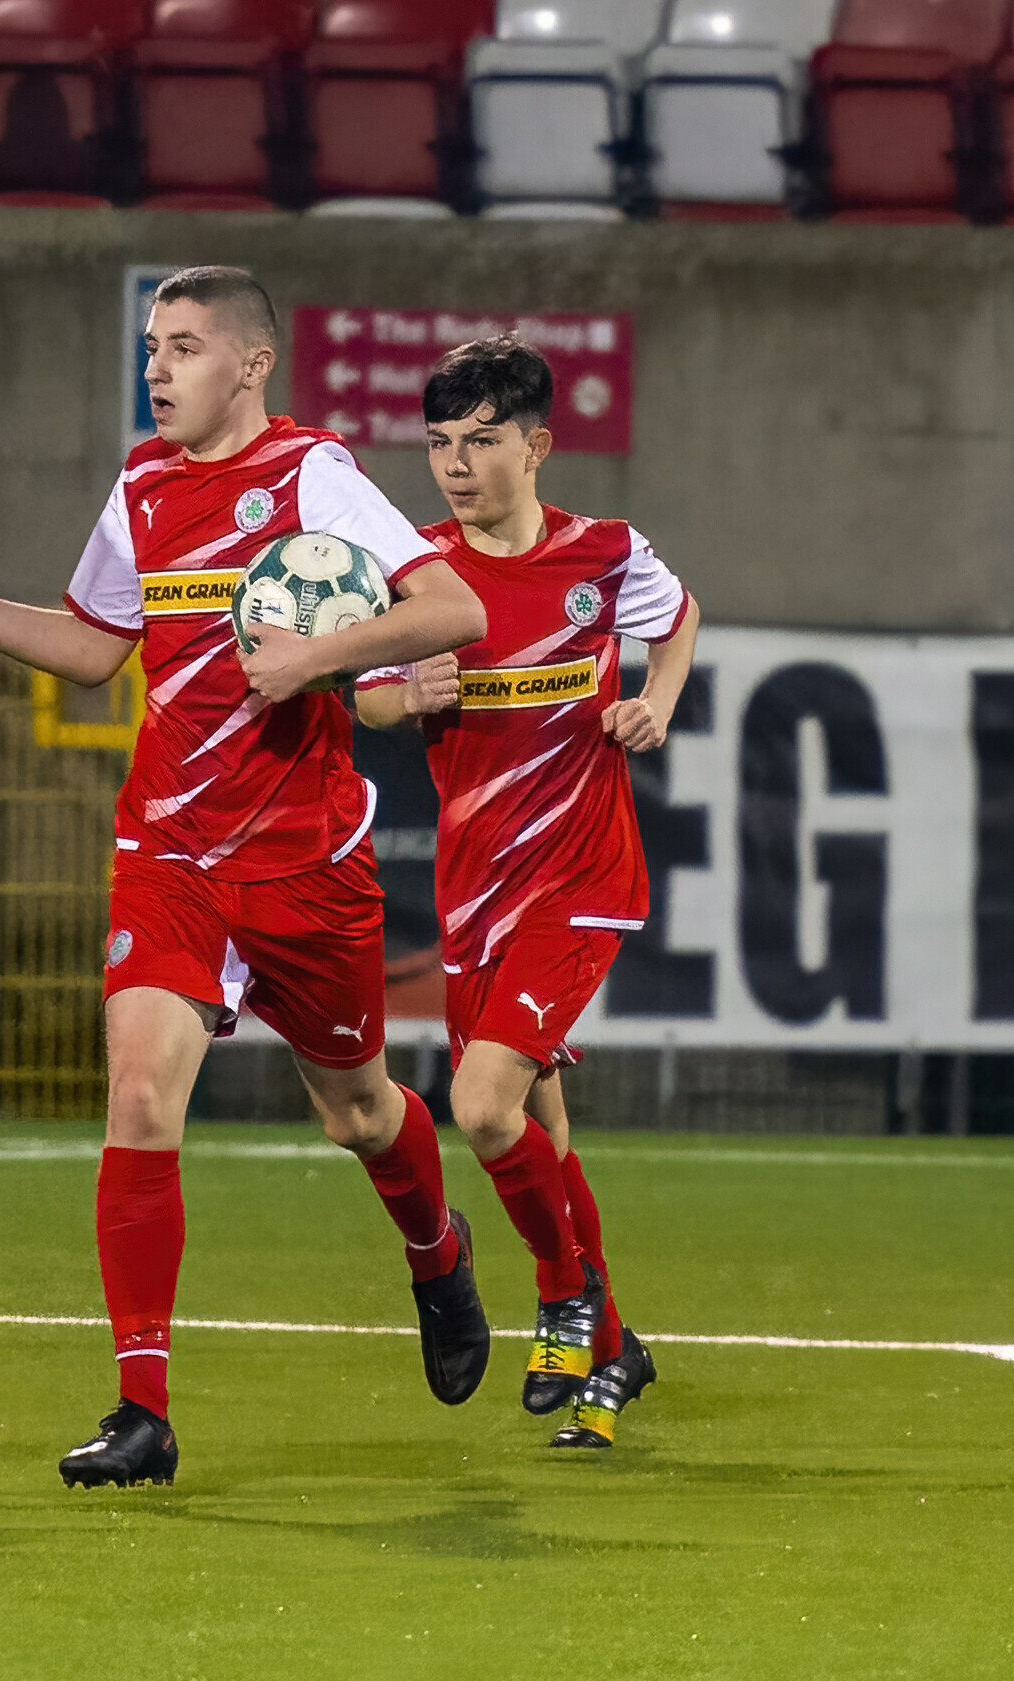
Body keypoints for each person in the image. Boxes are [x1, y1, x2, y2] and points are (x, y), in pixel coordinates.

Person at [0, 267, 495, 1489]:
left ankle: (436, 1249)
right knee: (137, 1097)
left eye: (185, 347)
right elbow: (92, 649)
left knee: (358, 1110)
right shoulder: (142, 482)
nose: (159, 367)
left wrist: (317, 658)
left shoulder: (315, 474)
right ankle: (143, 1408)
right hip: (170, 853)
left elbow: (452, 607)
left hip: (306, 862)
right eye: (151, 347)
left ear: (251, 364)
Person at [351, 335, 700, 1450]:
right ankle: (613, 1349)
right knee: (538, 1129)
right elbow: (362, 699)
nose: (455, 463)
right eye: (441, 442)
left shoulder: (602, 554)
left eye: (483, 439)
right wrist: (408, 686)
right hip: (474, 893)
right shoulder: (415, 571)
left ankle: (562, 1293)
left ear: (538, 444)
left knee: (485, 1104)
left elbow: (678, 614)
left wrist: (658, 697)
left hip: (580, 880)